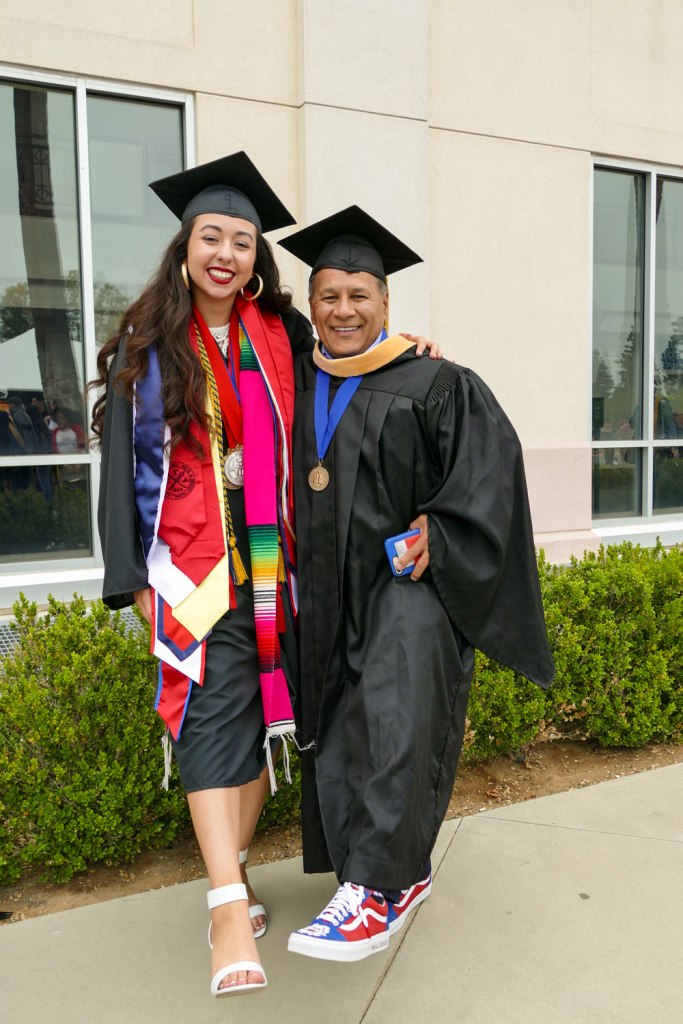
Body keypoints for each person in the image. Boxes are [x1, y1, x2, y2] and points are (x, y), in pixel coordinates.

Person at [278, 206, 555, 961]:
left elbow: (490, 476)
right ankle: (388, 870)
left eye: (358, 295)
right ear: (311, 305)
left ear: (385, 302)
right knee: (341, 727)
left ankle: (376, 890)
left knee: (397, 720)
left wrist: (442, 528)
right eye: (329, 296)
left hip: (408, 594)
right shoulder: (291, 378)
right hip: (323, 596)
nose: (343, 310)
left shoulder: (436, 381)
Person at [90, 152, 309, 998]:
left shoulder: (281, 335)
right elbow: (120, 467)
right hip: (189, 574)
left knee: (255, 732)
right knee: (211, 729)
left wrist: (413, 349)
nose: (226, 253)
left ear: (256, 259)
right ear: (185, 247)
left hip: (274, 568)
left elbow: (347, 371)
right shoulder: (147, 345)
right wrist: (131, 577)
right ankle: (226, 910)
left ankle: (235, 868)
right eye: (211, 236)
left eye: (242, 242)